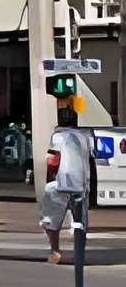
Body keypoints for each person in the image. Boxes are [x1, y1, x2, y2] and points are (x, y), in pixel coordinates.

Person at [40, 101, 98, 264]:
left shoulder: (57, 136)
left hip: (60, 183)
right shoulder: (85, 136)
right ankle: (80, 254)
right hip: (81, 184)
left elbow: (52, 161)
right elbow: (91, 160)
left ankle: (55, 251)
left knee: (51, 221)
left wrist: (48, 182)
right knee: (80, 222)